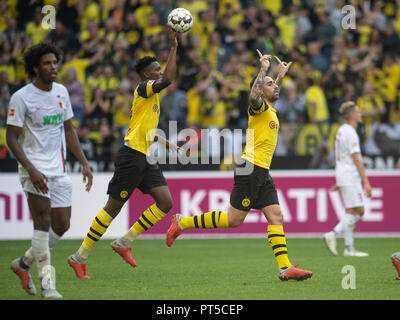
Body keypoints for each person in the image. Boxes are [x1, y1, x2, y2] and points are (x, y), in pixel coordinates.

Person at [166, 51, 313, 282]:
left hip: (261, 170)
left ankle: (284, 267)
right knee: (234, 219)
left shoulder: (270, 109)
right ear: (260, 89)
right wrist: (263, 70)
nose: (275, 86)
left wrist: (279, 75)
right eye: (270, 84)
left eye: (275, 84)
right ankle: (182, 222)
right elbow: (254, 95)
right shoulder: (259, 108)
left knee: (276, 216)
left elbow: (269, 91)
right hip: (250, 167)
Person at [68, 26, 180, 279]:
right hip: (131, 157)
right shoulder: (144, 87)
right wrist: (174, 47)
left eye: (160, 69)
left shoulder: (151, 95)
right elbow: (169, 79)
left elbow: (144, 128)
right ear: (145, 74)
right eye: (156, 69)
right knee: (113, 208)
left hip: (144, 156)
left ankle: (124, 242)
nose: (160, 72)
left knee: (165, 202)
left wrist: (165, 143)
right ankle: (79, 256)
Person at [6, 42, 93, 298]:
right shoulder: (21, 98)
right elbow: (11, 138)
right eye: (47, 63)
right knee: (42, 223)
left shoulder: (62, 92)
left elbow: (68, 129)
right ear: (35, 68)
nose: (53, 67)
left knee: (62, 225)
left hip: (59, 169)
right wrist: (31, 169)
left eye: (55, 62)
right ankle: (48, 285)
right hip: (34, 168)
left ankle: (23, 264)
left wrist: (84, 162)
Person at [323, 101, 371, 257]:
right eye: (358, 112)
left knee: (353, 211)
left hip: (344, 175)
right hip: (350, 175)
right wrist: (366, 181)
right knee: (357, 210)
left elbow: (342, 156)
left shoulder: (341, 130)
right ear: (352, 115)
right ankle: (333, 233)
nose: (360, 114)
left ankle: (349, 248)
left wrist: (340, 181)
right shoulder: (350, 132)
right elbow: (356, 157)